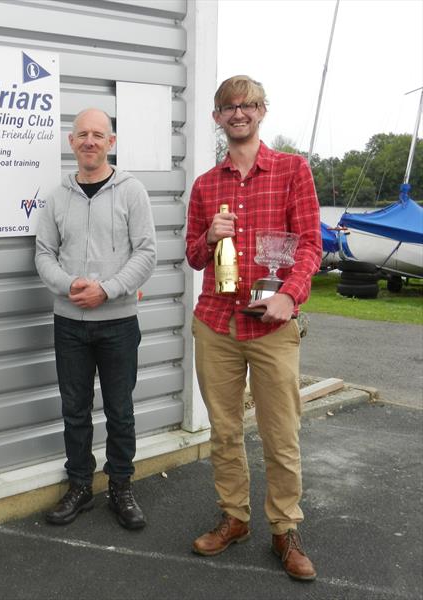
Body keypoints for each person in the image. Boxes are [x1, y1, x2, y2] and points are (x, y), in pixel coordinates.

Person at [185, 75, 321, 581]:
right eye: (228, 107)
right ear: (217, 118)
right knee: (224, 431)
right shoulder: (205, 185)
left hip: (273, 326)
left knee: (280, 434)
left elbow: (311, 243)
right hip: (216, 324)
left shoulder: (292, 170)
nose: (238, 114)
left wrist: (291, 294)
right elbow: (194, 256)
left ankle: (284, 530)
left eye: (248, 105)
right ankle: (235, 518)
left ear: (262, 111)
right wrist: (207, 235)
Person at [35, 108, 157, 530]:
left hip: (119, 322)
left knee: (120, 409)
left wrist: (107, 289)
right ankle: (81, 485)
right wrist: (70, 285)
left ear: (111, 142)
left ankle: (121, 485)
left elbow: (146, 253)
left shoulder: (132, 192)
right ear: (71, 142)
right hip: (69, 322)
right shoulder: (56, 197)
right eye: (82, 134)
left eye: (98, 135)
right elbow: (43, 254)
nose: (90, 141)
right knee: (75, 410)